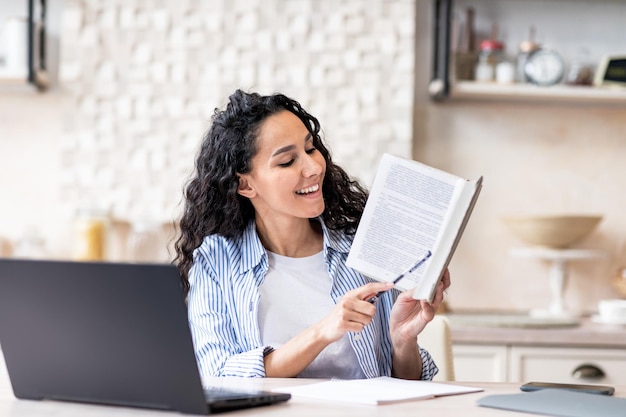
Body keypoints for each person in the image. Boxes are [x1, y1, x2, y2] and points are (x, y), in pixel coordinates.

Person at [174, 89, 451, 381]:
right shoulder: (216, 262)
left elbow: (405, 390)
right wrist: (323, 331)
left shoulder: (365, 248)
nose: (313, 167)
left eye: (310, 148)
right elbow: (217, 376)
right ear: (245, 185)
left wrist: (402, 341)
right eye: (286, 161)